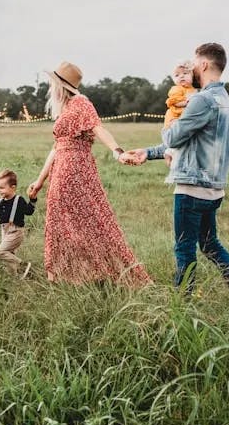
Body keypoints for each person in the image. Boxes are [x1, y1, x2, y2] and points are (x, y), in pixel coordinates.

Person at [124, 43, 229, 305]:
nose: (191, 68)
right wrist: (148, 153)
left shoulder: (202, 99)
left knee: (184, 249)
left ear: (203, 65)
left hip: (192, 188)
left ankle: (182, 305)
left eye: (194, 63)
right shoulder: (224, 99)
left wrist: (169, 117)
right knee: (210, 245)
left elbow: (173, 136)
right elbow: (190, 142)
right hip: (214, 188)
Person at [27, 61, 152, 286]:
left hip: (76, 169)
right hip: (61, 170)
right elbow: (56, 147)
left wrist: (117, 152)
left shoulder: (81, 102)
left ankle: (96, 271)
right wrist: (39, 181)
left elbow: (98, 128)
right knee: (59, 223)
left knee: (90, 221)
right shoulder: (65, 109)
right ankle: (65, 275)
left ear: (60, 85)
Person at [163, 60, 197, 165]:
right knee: (177, 137)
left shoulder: (193, 90)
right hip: (174, 117)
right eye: (177, 75)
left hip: (183, 118)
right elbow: (175, 101)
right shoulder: (176, 89)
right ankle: (169, 153)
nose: (181, 76)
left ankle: (171, 153)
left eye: (185, 74)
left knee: (184, 140)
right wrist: (187, 102)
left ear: (192, 76)